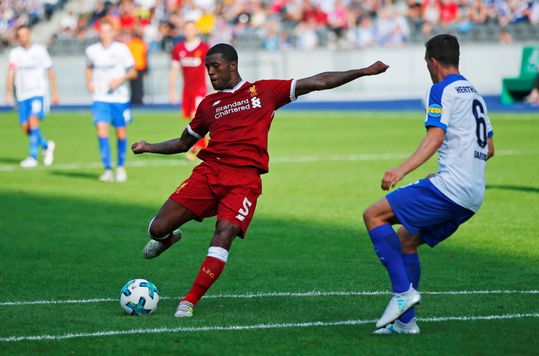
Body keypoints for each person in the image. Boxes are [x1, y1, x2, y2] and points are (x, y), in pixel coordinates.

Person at [132, 43, 389, 318]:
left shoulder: (264, 91)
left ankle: (189, 300)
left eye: (215, 66)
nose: (210, 72)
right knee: (156, 228)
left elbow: (319, 81)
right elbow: (185, 143)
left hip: (244, 181)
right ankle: (167, 239)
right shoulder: (208, 105)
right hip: (209, 173)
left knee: (224, 234)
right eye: (207, 67)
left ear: (233, 65)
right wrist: (149, 146)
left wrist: (364, 71)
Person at [362, 34, 495, 334]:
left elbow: (435, 137)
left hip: (453, 188)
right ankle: (406, 324)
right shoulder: (475, 94)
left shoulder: (441, 88)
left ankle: (402, 294)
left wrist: (401, 170)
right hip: (473, 194)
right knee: (407, 240)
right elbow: (489, 149)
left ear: (432, 62)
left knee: (373, 215)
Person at [85, 20, 137, 182]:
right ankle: (107, 169)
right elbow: (88, 67)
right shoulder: (92, 50)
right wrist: (89, 81)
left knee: (120, 133)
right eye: (102, 31)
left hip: (120, 98)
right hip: (100, 98)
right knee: (101, 130)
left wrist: (120, 80)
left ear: (113, 33)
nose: (105, 34)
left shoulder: (121, 49)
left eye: (108, 31)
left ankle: (120, 166)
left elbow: (133, 72)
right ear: (99, 33)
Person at [5, 25, 59, 168]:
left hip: (37, 93)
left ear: (29, 35)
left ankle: (32, 157)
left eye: (25, 34)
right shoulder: (15, 53)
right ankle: (47, 145)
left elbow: (50, 71)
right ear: (17, 38)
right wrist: (8, 92)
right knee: (26, 127)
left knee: (33, 121)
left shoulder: (40, 51)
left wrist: (55, 92)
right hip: (22, 95)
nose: (23, 38)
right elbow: (11, 73)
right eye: (20, 35)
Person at [169, 22, 210, 160]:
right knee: (190, 118)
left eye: (191, 29)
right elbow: (174, 70)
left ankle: (197, 148)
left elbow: (211, 69)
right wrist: (172, 90)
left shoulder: (204, 48)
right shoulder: (178, 48)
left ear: (196, 30)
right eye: (186, 29)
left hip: (200, 89)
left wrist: (215, 87)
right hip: (187, 90)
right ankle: (202, 146)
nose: (188, 32)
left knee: (195, 116)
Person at [127, 29, 148, 106]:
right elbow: (145, 56)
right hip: (140, 67)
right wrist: (146, 68)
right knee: (139, 85)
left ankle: (134, 99)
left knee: (133, 85)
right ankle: (138, 100)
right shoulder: (142, 44)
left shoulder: (130, 44)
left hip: (133, 67)